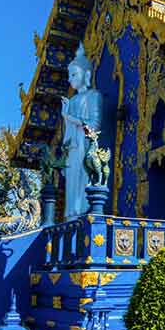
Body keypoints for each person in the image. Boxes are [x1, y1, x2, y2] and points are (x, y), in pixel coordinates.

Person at [60, 45, 102, 219]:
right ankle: (71, 215)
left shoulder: (93, 96)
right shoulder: (72, 100)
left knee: (82, 181)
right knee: (71, 182)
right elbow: (67, 131)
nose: (70, 79)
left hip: (85, 144)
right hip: (73, 147)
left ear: (86, 75)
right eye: (69, 75)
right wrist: (66, 117)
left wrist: (68, 117)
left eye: (74, 74)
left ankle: (80, 212)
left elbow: (95, 124)